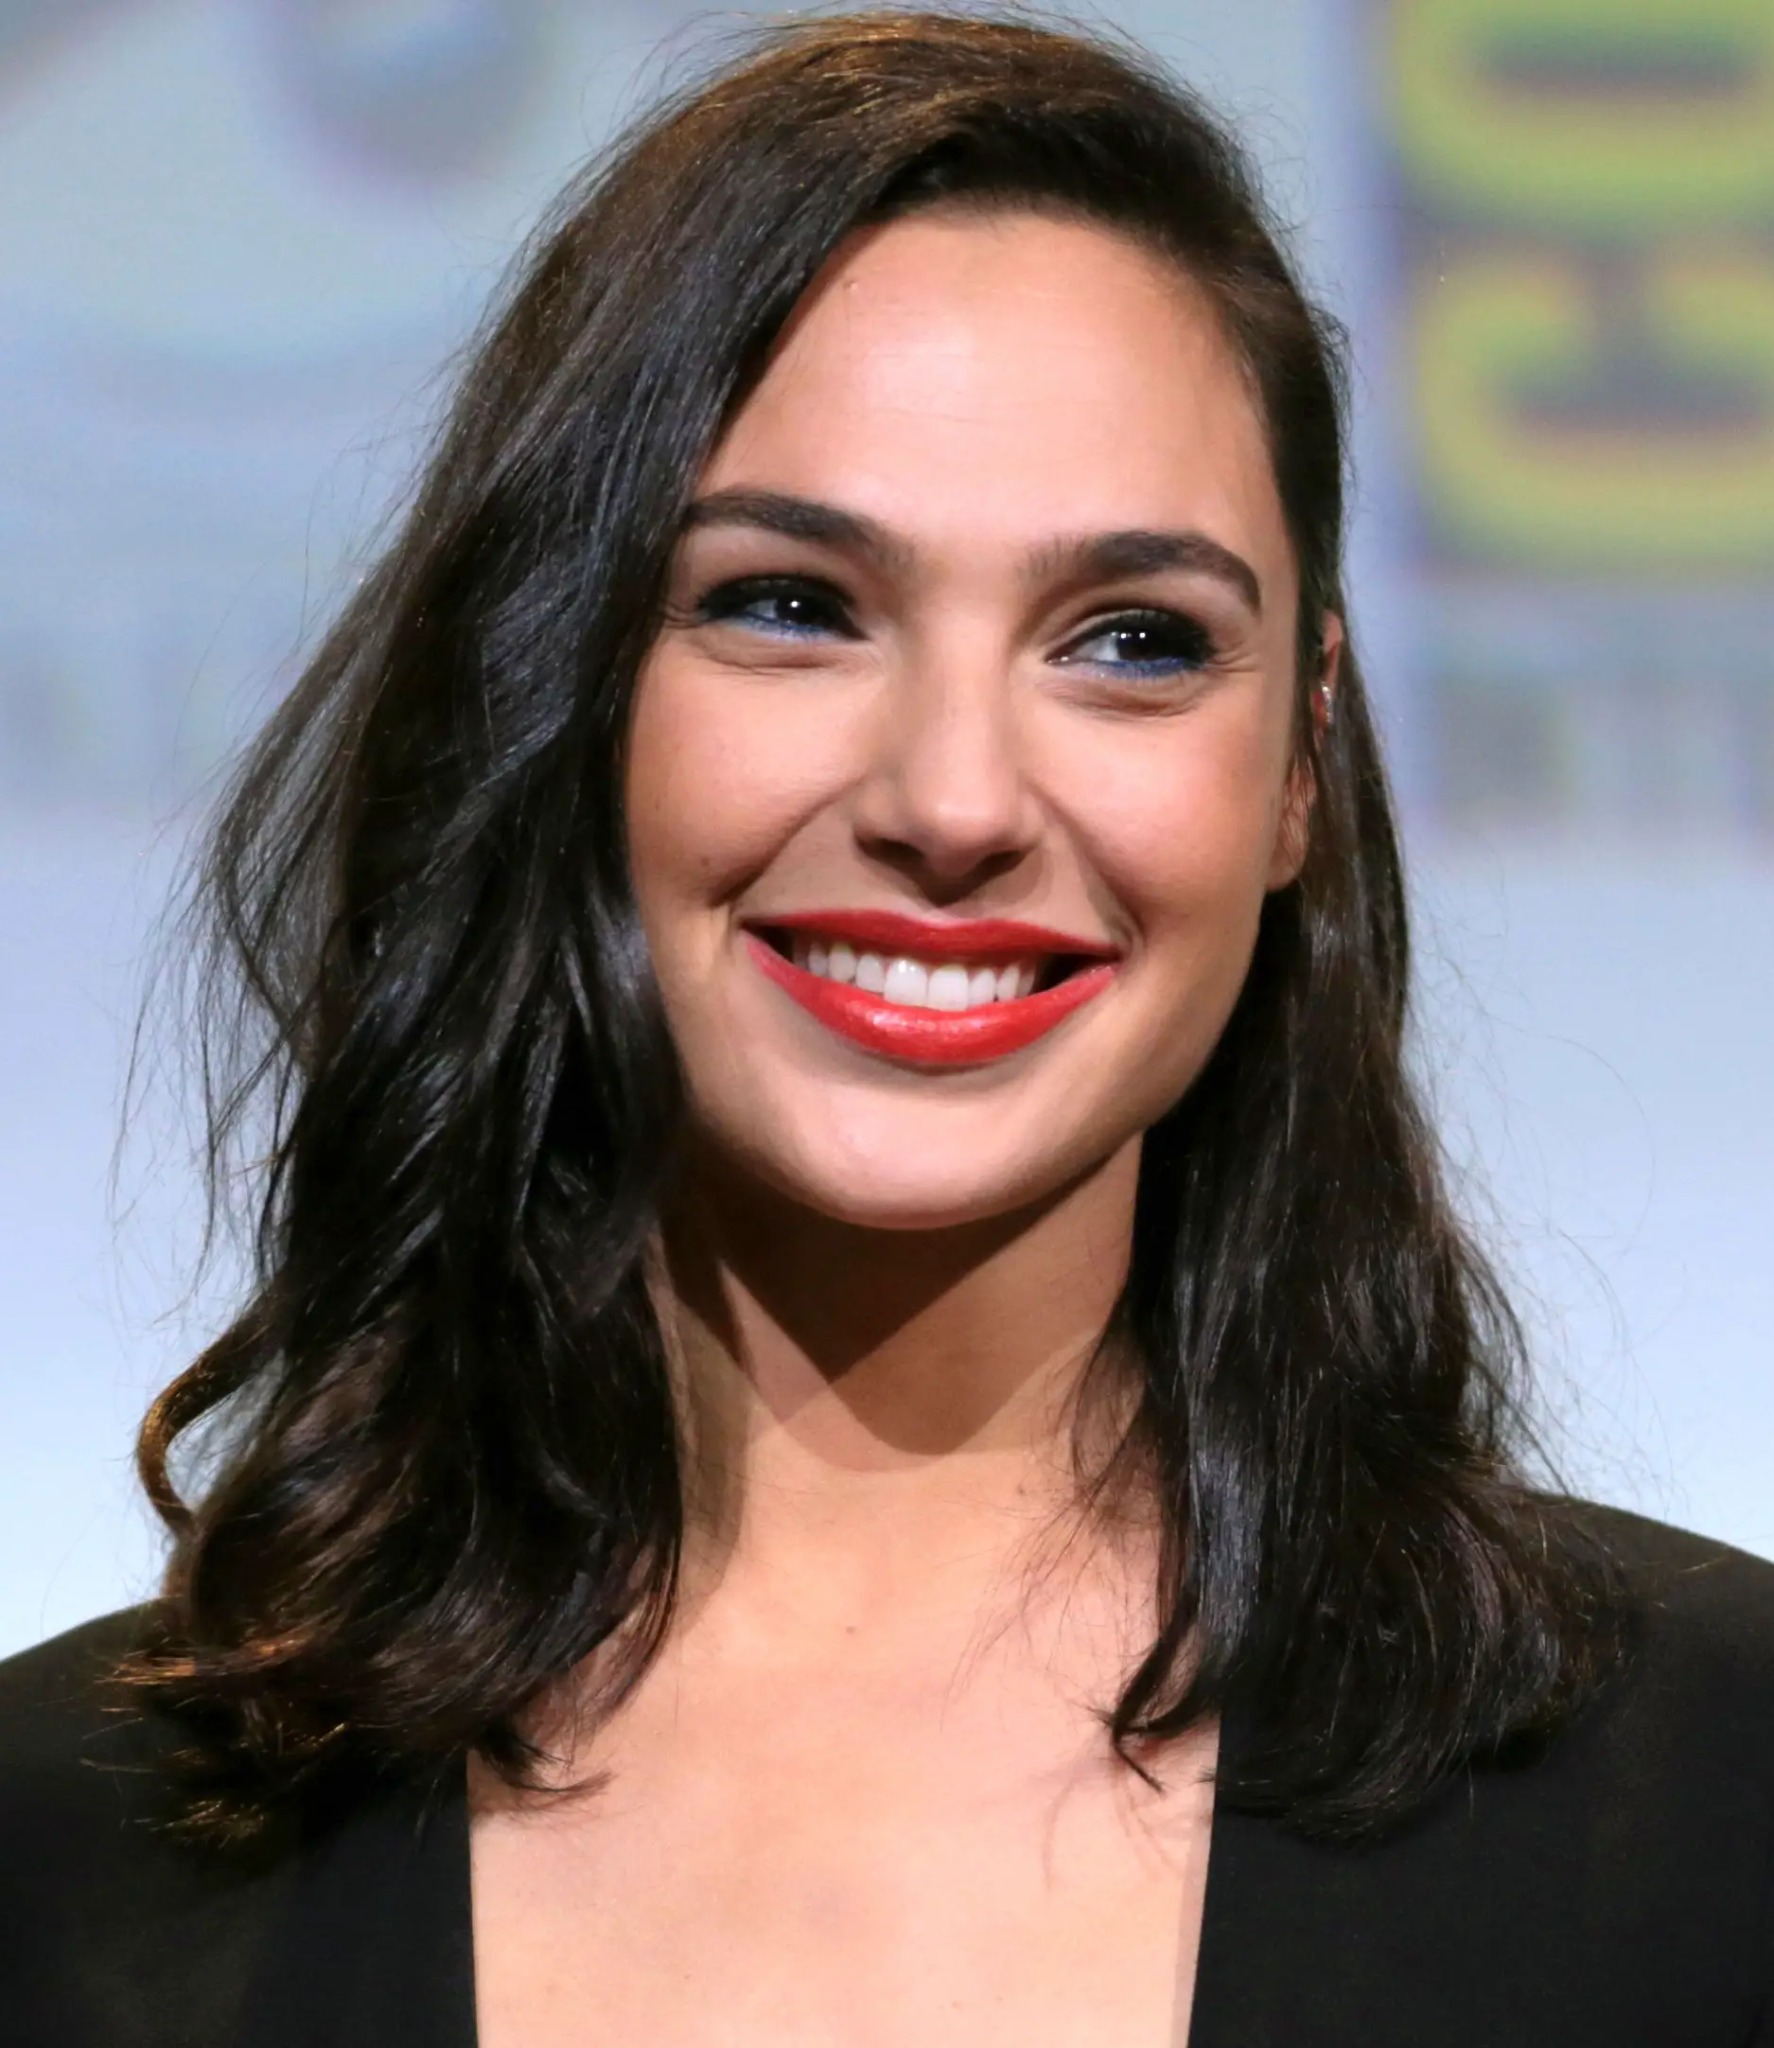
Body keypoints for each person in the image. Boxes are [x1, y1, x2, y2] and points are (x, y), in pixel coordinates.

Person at [3, 12, 1771, 2045]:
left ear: (1297, 762)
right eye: (788, 604)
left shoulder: (1712, 1802)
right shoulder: (67, 1865)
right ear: (559, 683)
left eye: (1132, 641)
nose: (952, 799)